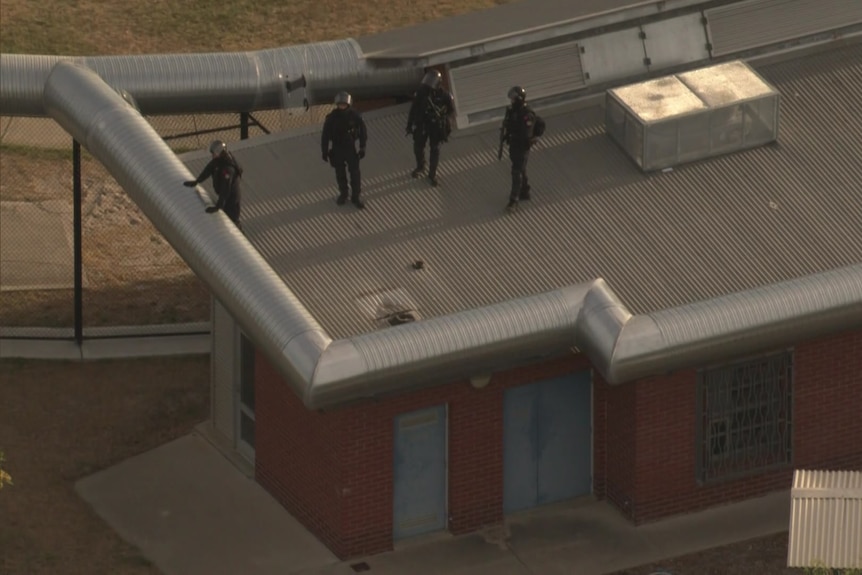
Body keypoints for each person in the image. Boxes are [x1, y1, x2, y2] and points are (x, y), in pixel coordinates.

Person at [499, 86, 545, 212]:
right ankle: (525, 191)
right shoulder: (513, 110)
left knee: (516, 172)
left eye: (513, 99)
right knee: (521, 169)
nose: (512, 101)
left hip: (521, 146)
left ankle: (514, 200)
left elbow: (525, 132)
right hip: (514, 145)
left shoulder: (526, 114)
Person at [405, 69, 455, 187]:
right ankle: (420, 166)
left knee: (435, 149)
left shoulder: (445, 96)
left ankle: (432, 174)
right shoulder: (422, 93)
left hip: (436, 126)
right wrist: (409, 125)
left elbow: (451, 111)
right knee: (418, 146)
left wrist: (444, 120)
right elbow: (413, 110)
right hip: (423, 124)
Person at [321, 91, 368, 209]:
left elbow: (363, 132)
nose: (342, 106)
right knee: (340, 173)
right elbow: (325, 135)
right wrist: (324, 151)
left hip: (350, 148)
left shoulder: (355, 115)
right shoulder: (332, 118)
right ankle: (344, 193)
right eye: (340, 104)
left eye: (344, 104)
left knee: (355, 173)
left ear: (348, 104)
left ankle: (356, 196)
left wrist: (362, 147)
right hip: (337, 148)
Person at [183, 139, 243, 228]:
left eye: (213, 153)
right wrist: (197, 181)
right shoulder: (219, 161)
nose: (212, 155)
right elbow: (209, 169)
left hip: (231, 201)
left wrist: (219, 206)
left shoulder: (228, 168)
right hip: (225, 198)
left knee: (233, 224)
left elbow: (225, 189)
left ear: (219, 153)